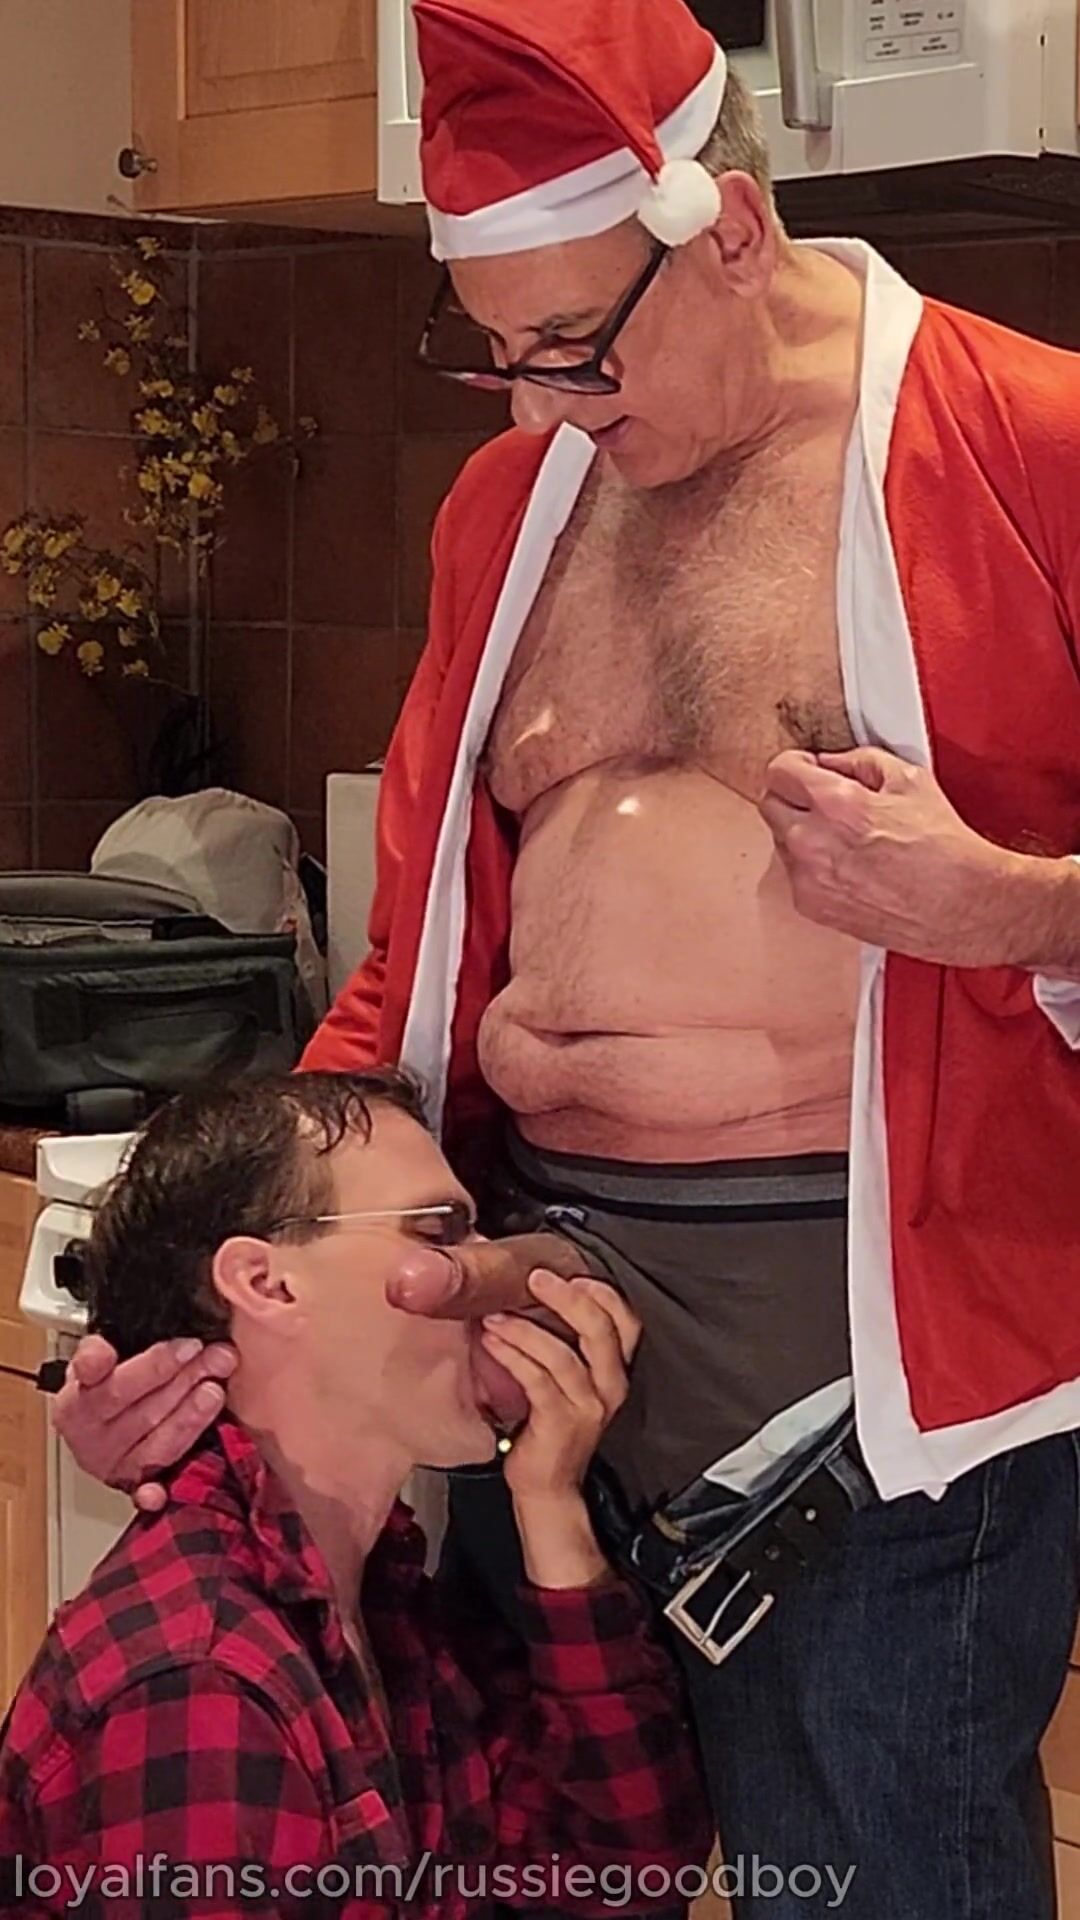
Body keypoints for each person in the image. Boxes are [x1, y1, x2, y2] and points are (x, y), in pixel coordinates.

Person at [51, 0, 1080, 1914]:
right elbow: (412, 962)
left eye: (575, 348)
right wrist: (196, 1322)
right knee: (541, 1869)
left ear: (733, 232)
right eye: (496, 355)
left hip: (867, 1392)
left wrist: (1013, 906)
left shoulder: (1032, 445)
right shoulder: (511, 507)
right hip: (512, 1337)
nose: (537, 411)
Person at [1, 1071, 709, 1919]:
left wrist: (549, 1501)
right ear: (267, 1284)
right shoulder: (202, 1680)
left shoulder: (376, 1601)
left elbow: (627, 1870)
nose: (492, 1275)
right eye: (439, 1231)